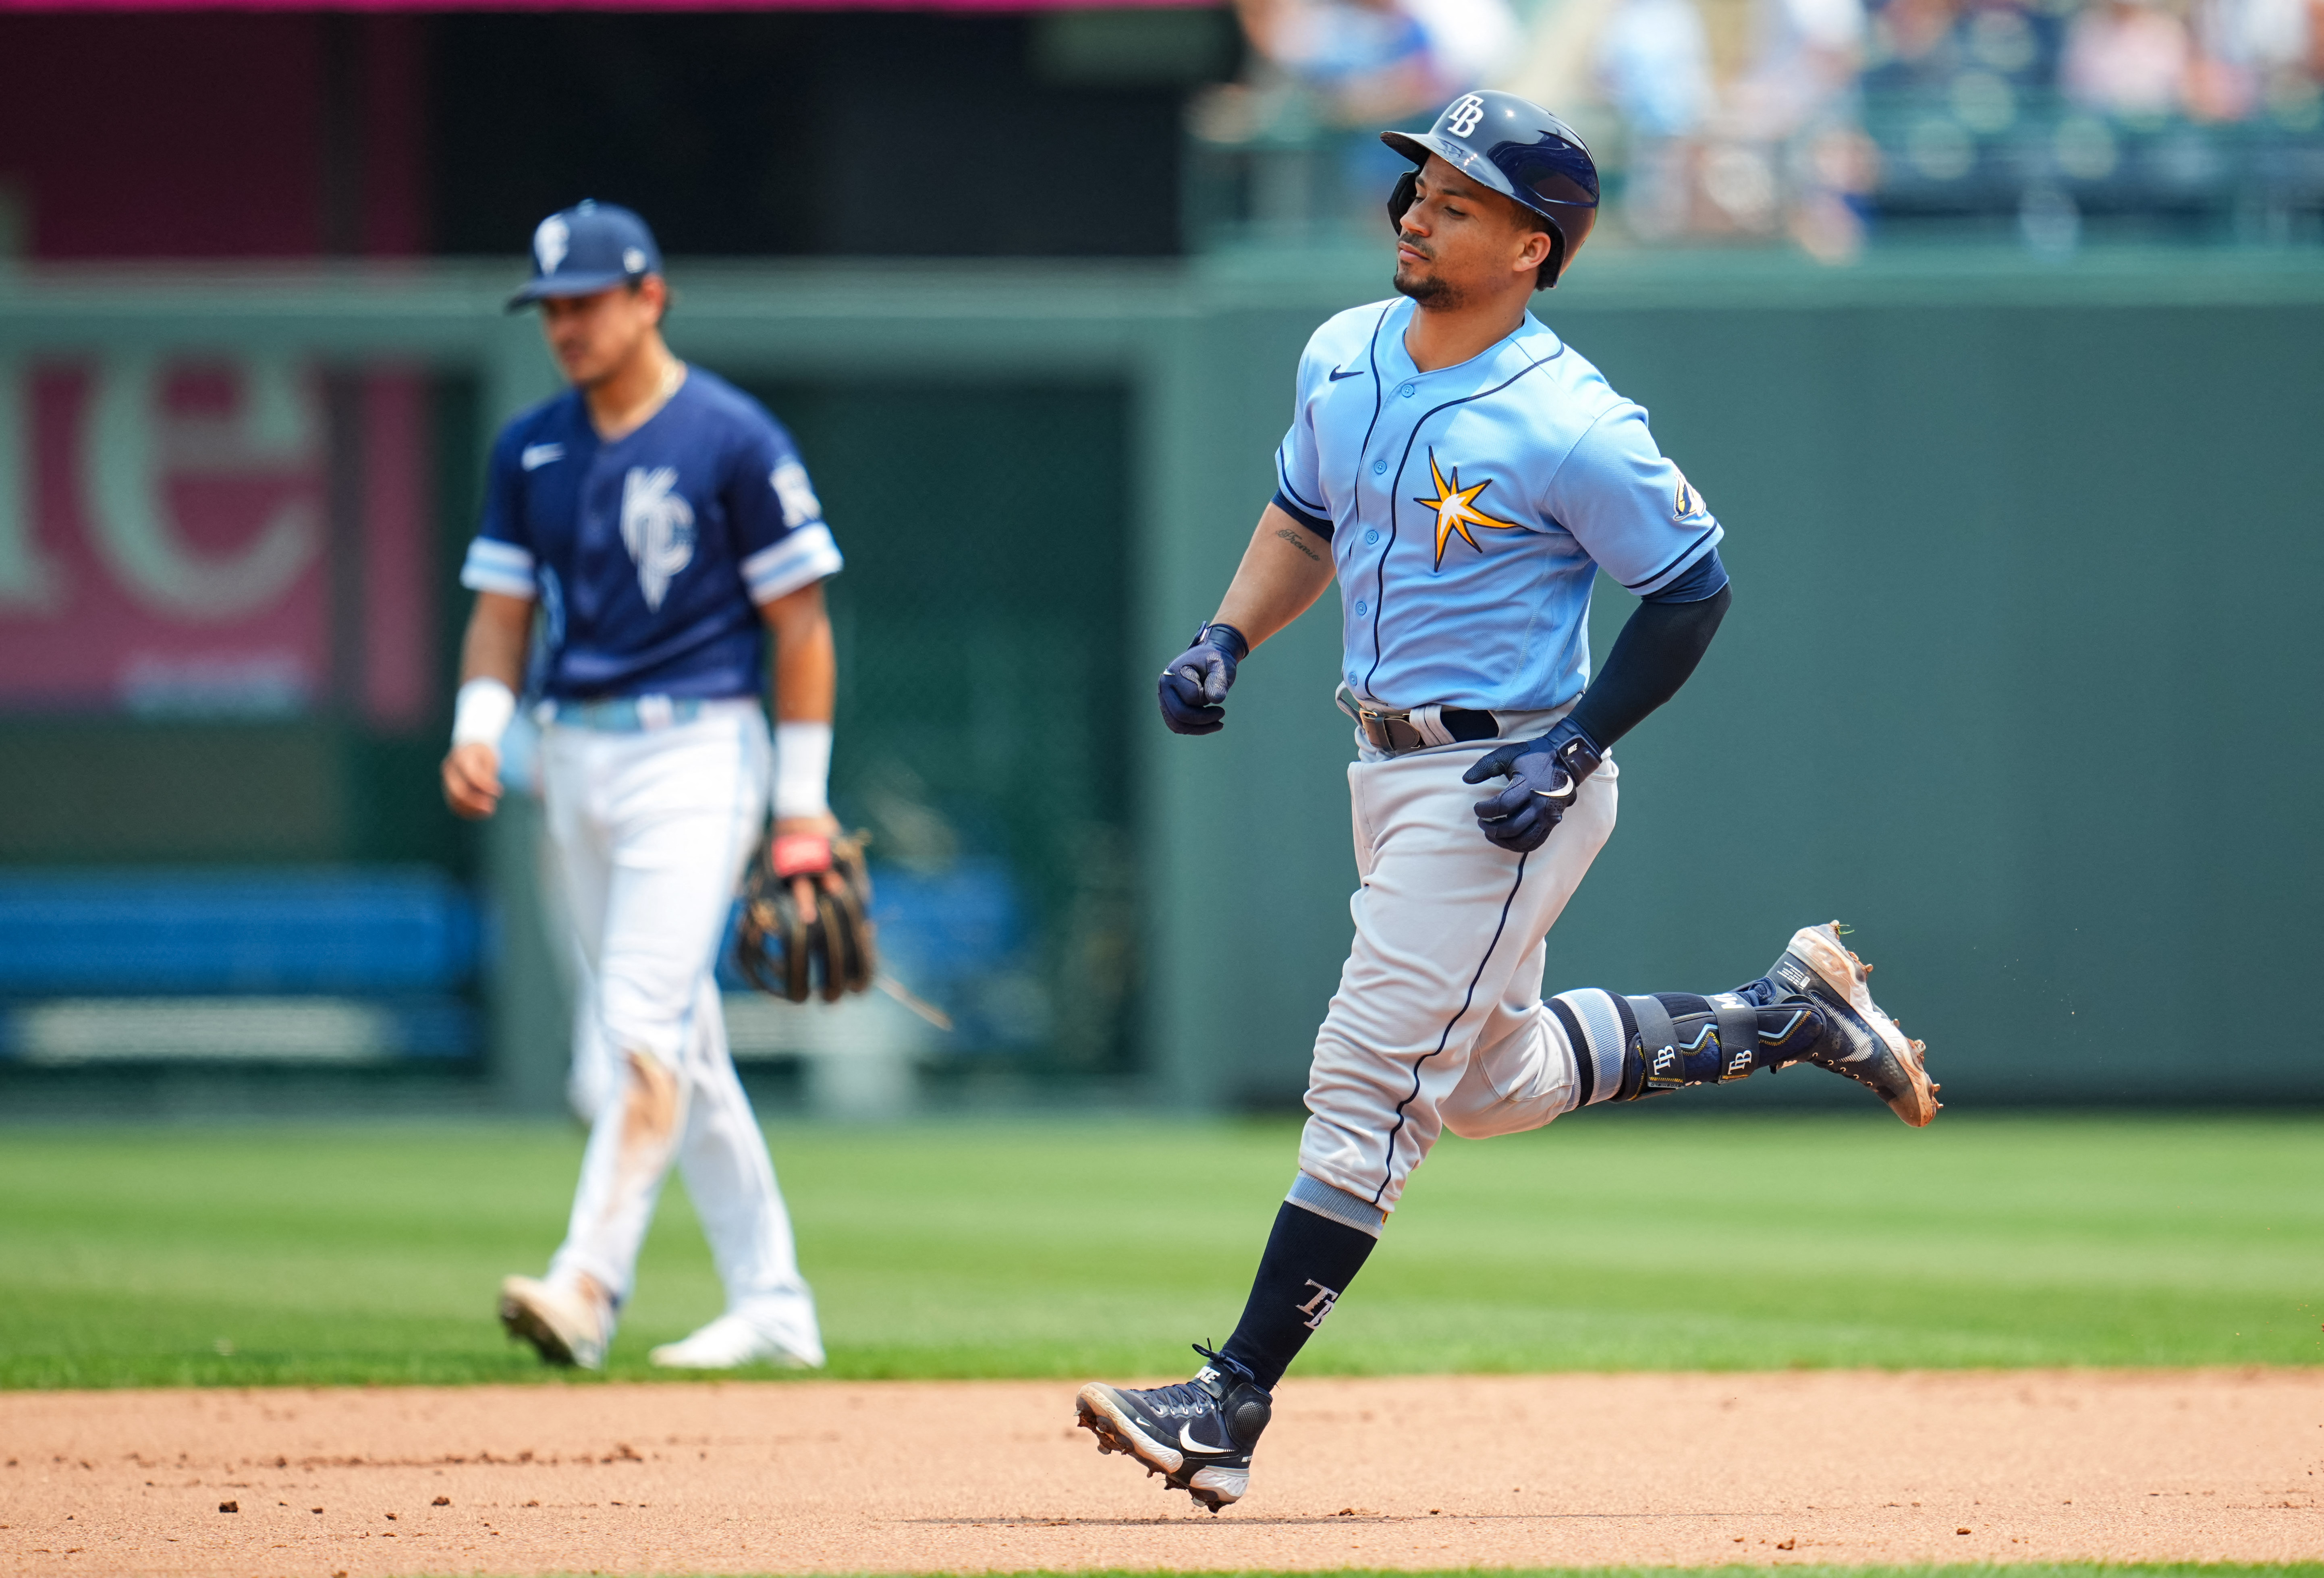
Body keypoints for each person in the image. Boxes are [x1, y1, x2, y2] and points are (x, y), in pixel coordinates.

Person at [1074, 90, 1936, 1512]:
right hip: (1383, 761)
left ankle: (1227, 1403)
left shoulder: (1572, 419)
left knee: (1369, 1079)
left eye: (1457, 198)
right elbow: (1304, 518)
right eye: (1417, 183)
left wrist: (1580, 745)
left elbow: (1691, 590)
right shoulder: (1341, 351)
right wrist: (1230, 633)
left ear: (1535, 247)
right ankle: (1783, 1013)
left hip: (1504, 782)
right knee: (1487, 1085)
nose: (1415, 207)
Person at [440, 200, 845, 1372]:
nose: (565, 324)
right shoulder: (531, 447)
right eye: (551, 306)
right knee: (669, 1042)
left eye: (586, 300)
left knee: (633, 1037)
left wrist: (803, 804)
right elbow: (501, 615)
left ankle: (588, 1284)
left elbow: (802, 624)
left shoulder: (732, 436)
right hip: (570, 757)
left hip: (697, 748)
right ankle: (775, 1303)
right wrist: (482, 722)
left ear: (648, 294)